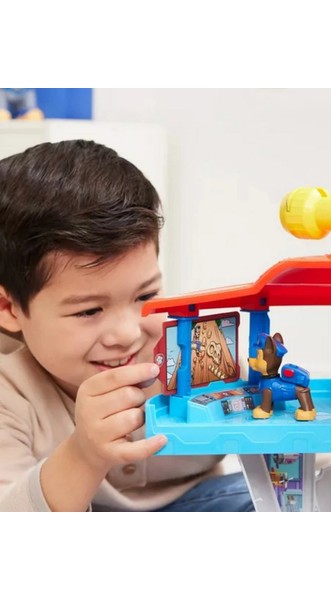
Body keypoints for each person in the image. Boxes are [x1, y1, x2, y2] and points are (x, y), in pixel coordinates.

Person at [0, 139, 254, 512]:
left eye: (145, 295)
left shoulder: (199, 353)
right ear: (8, 308)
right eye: (89, 311)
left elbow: (292, 446)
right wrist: (84, 454)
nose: (128, 334)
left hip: (200, 504)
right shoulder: (9, 393)